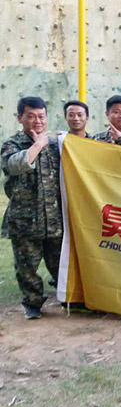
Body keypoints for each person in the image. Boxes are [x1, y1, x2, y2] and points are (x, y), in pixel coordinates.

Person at [1, 97, 62, 319]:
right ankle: (33, 303)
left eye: (41, 116)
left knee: (60, 263)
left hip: (54, 218)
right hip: (25, 218)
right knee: (27, 266)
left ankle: (65, 296)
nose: (37, 121)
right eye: (31, 116)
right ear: (20, 118)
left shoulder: (55, 145)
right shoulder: (12, 144)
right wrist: (37, 145)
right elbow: (14, 165)